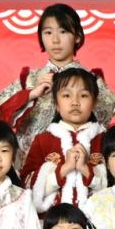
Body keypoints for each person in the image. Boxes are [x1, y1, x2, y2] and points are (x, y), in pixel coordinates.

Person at [0, 3, 115, 161]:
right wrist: (30, 95)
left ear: (77, 36)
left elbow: (103, 120)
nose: (55, 40)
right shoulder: (29, 79)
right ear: (41, 37)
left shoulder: (92, 79)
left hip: (79, 165)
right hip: (30, 165)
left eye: (63, 31)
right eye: (48, 32)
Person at [19, 69, 107, 211]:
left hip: (97, 219)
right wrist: (63, 170)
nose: (75, 102)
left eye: (83, 95)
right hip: (52, 221)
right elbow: (26, 185)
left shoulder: (106, 139)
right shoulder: (43, 140)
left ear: (94, 103)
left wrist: (86, 170)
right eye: (66, 95)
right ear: (56, 104)